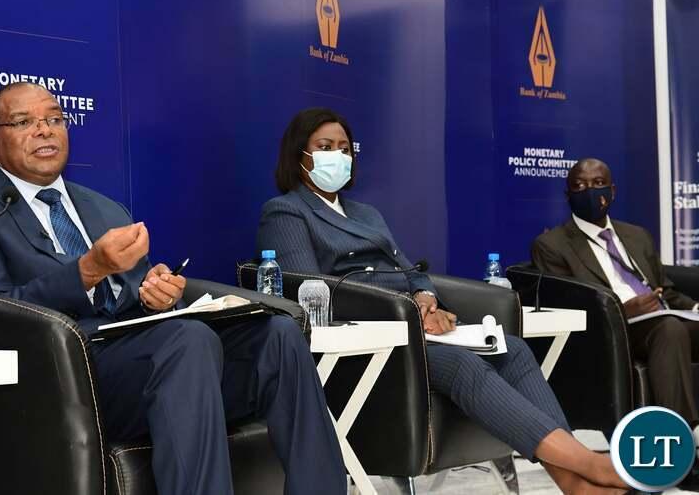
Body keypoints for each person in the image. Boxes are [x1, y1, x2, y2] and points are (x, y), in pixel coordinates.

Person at [0, 83, 346, 495]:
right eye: (24, 122)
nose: (45, 130)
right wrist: (87, 271)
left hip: (149, 365)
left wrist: (156, 295)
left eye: (54, 119)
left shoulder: (104, 208)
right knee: (186, 341)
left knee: (278, 336)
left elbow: (135, 295)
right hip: (57, 377)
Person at [256, 107, 629, 495]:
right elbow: (312, 291)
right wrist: (409, 314)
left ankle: (573, 484)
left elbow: (410, 271)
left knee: (513, 350)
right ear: (300, 154)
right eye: (325, 146)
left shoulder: (366, 214)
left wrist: (426, 299)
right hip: (367, 347)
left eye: (345, 148)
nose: (338, 155)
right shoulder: (286, 211)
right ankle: (588, 463)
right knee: (463, 363)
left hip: (414, 331)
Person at [532, 158, 699, 428]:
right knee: (669, 329)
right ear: (568, 195)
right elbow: (568, 308)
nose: (590, 191)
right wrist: (623, 311)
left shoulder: (637, 236)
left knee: (671, 325)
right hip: (612, 331)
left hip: (661, 318)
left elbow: (665, 291)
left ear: (612, 191)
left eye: (598, 183)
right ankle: (678, 435)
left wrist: (694, 308)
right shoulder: (552, 245)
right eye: (580, 185)